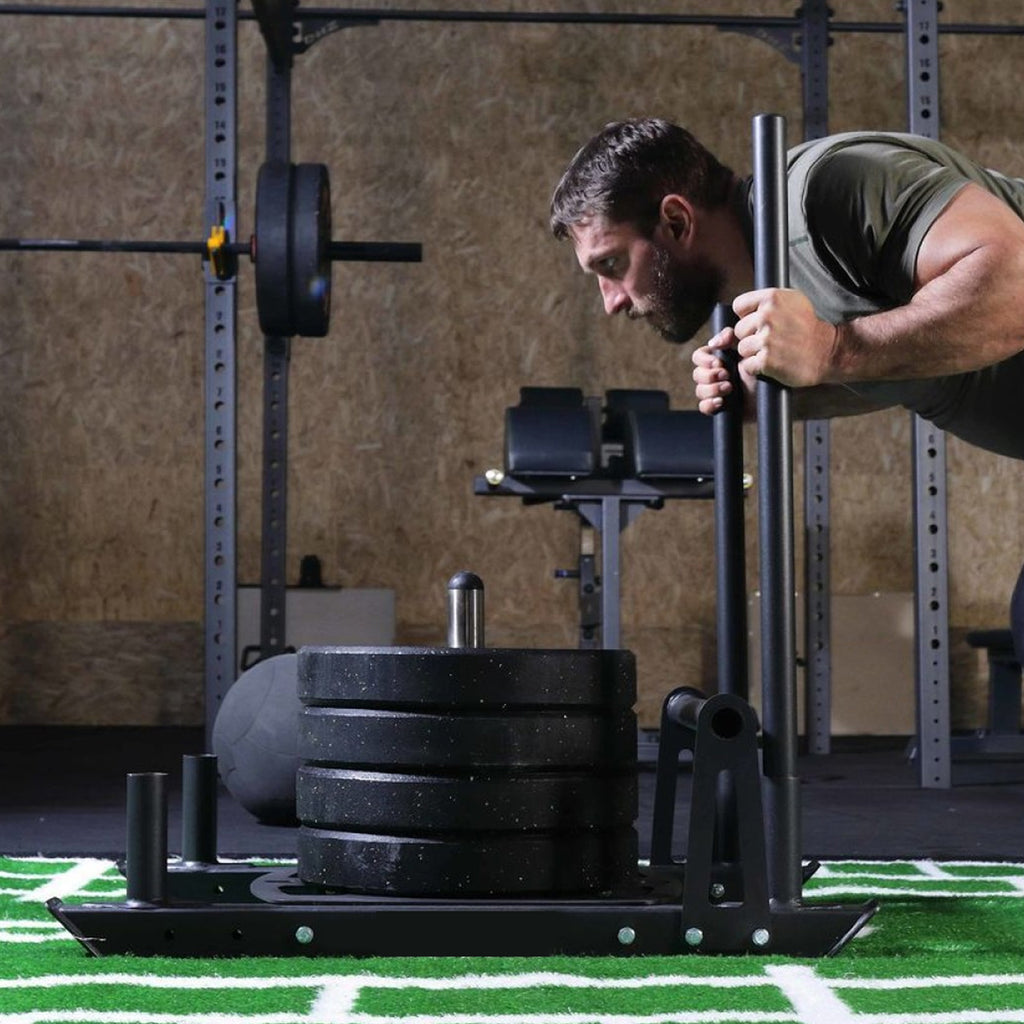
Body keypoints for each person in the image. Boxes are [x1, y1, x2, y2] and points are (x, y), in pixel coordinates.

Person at [549, 117, 1024, 461]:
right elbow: (927, 365)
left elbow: (1016, 286)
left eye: (610, 264)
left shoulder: (827, 190)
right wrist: (778, 391)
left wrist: (833, 350)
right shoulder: (764, 297)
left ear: (676, 221)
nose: (611, 301)